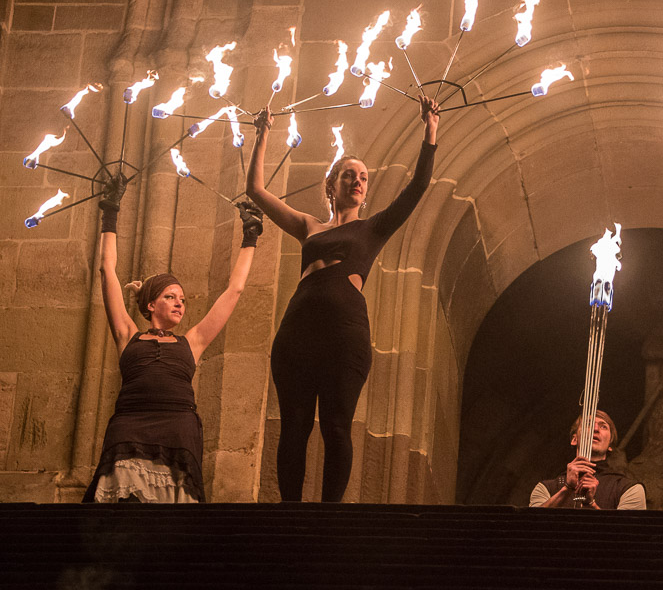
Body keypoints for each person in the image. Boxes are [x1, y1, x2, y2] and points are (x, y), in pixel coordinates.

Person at [247, 95, 439, 502]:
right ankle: (289, 512)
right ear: (331, 185)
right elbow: (256, 191)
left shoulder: (373, 228)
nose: (357, 181)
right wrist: (262, 135)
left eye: (363, 177)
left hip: (344, 335)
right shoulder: (308, 226)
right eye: (349, 175)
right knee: (294, 426)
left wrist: (430, 130)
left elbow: (418, 186)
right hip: (297, 334)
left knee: (336, 425)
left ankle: (329, 515)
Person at [84, 174, 262, 503]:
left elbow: (234, 290)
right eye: (170, 296)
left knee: (171, 518)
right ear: (151, 305)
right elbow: (107, 270)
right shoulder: (127, 335)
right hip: (130, 427)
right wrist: (110, 211)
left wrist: (250, 236)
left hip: (178, 431)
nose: (180, 303)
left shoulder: (192, 342)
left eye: (182, 298)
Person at [530, 411, 646, 510]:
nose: (595, 429)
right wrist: (567, 489)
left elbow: (625, 529)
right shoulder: (546, 488)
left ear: (610, 445)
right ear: (574, 439)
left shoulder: (629, 488)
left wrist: (591, 504)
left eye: (603, 426)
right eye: (588, 424)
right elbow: (532, 523)